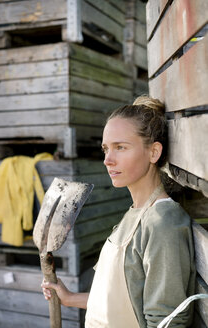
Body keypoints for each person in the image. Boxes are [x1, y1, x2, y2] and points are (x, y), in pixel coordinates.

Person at [41, 96, 196, 327]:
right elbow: (124, 302)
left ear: (153, 152)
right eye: (105, 149)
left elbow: (165, 323)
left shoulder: (164, 223)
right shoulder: (135, 213)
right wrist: (71, 298)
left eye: (120, 147)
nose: (107, 160)